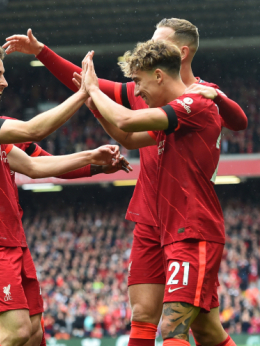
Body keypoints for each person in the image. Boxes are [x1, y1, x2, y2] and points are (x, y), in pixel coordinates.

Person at [3, 18, 246, 346]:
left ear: (181, 53)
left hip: (190, 224)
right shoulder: (154, 98)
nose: (138, 90)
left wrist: (218, 98)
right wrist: (48, 57)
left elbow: (237, 121)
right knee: (157, 320)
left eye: (159, 41)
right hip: (152, 219)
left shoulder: (197, 99)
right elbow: (123, 129)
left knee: (184, 329)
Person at [0, 40, 123, 346]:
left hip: (6, 239)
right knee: (17, 332)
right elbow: (33, 130)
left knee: (32, 335)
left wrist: (93, 161)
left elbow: (36, 166)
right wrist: (84, 93)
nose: (5, 82)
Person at [81, 41, 231, 346]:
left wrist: (94, 89)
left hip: (193, 231)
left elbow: (125, 119)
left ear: (159, 75)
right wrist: (96, 107)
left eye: (139, 81)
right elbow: (128, 137)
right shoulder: (168, 116)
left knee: (174, 328)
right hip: (164, 229)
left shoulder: (194, 105)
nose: (136, 92)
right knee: (204, 331)